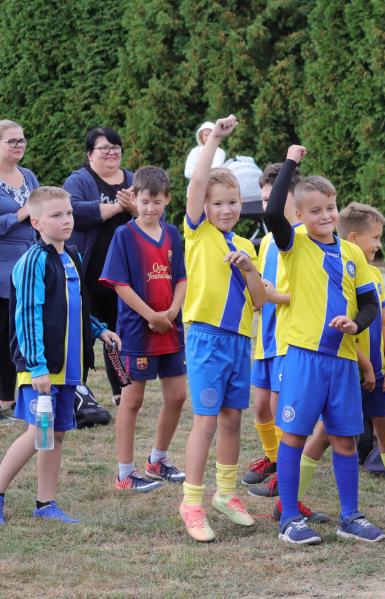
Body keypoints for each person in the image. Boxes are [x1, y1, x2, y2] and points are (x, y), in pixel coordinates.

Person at [264, 145, 385, 546]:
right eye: (315, 210)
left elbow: (370, 304)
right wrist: (290, 163)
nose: (325, 215)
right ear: (299, 215)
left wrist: (355, 324)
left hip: (343, 361)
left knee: (345, 439)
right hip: (305, 358)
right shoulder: (294, 244)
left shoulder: (352, 253)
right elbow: (272, 213)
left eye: (330, 207)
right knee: (294, 436)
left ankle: (350, 516)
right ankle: (289, 518)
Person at [0, 187, 121, 525]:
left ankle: (45, 503)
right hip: (40, 369)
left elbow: (78, 305)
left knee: (55, 434)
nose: (66, 220)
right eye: (56, 215)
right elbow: (27, 317)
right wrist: (37, 366)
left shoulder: (73, 256)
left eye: (68, 213)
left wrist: (99, 330)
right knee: (36, 433)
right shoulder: (33, 261)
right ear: (36, 222)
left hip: (68, 369)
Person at [178, 115, 266, 542]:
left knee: (233, 419)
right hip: (206, 339)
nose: (226, 209)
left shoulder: (247, 245)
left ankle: (226, 494)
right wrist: (214, 137)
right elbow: (198, 182)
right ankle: (192, 502)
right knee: (206, 421)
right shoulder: (197, 234)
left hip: (239, 342)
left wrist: (249, 269)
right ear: (204, 207)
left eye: (232, 202)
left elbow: (260, 300)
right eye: (217, 203)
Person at [99, 166, 188, 493]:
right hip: (136, 333)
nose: (150, 208)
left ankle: (158, 460)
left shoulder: (173, 234)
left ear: (167, 200)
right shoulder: (124, 235)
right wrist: (151, 315)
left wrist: (172, 312)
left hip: (171, 329)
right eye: (144, 201)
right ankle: (125, 473)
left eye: (157, 201)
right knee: (131, 400)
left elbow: (181, 278)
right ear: (134, 198)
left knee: (177, 396)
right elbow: (119, 284)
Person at [63, 127, 136, 405]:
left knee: (118, 334)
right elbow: (74, 211)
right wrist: (118, 207)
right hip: (88, 273)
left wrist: (135, 209)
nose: (111, 152)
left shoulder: (133, 179)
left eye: (115, 147)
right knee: (82, 333)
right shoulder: (79, 180)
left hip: (123, 275)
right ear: (89, 154)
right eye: (104, 148)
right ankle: (77, 391)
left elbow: (154, 213)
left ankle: (120, 390)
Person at [241, 163, 299, 490]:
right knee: (261, 405)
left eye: (274, 199)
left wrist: (276, 296)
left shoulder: (304, 239)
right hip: (265, 339)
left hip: (288, 339)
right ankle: (273, 457)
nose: (269, 206)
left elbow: (312, 295)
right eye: (264, 200)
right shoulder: (265, 243)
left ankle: (285, 473)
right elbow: (261, 290)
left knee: (280, 407)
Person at [0, 119, 38, 413]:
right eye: (12, 141)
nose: (19, 145)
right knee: (2, 335)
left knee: (20, 333)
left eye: (22, 140)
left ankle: (16, 397)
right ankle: (4, 399)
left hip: (28, 265)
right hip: (2, 266)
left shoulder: (28, 176)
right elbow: (26, 213)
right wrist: (20, 215)